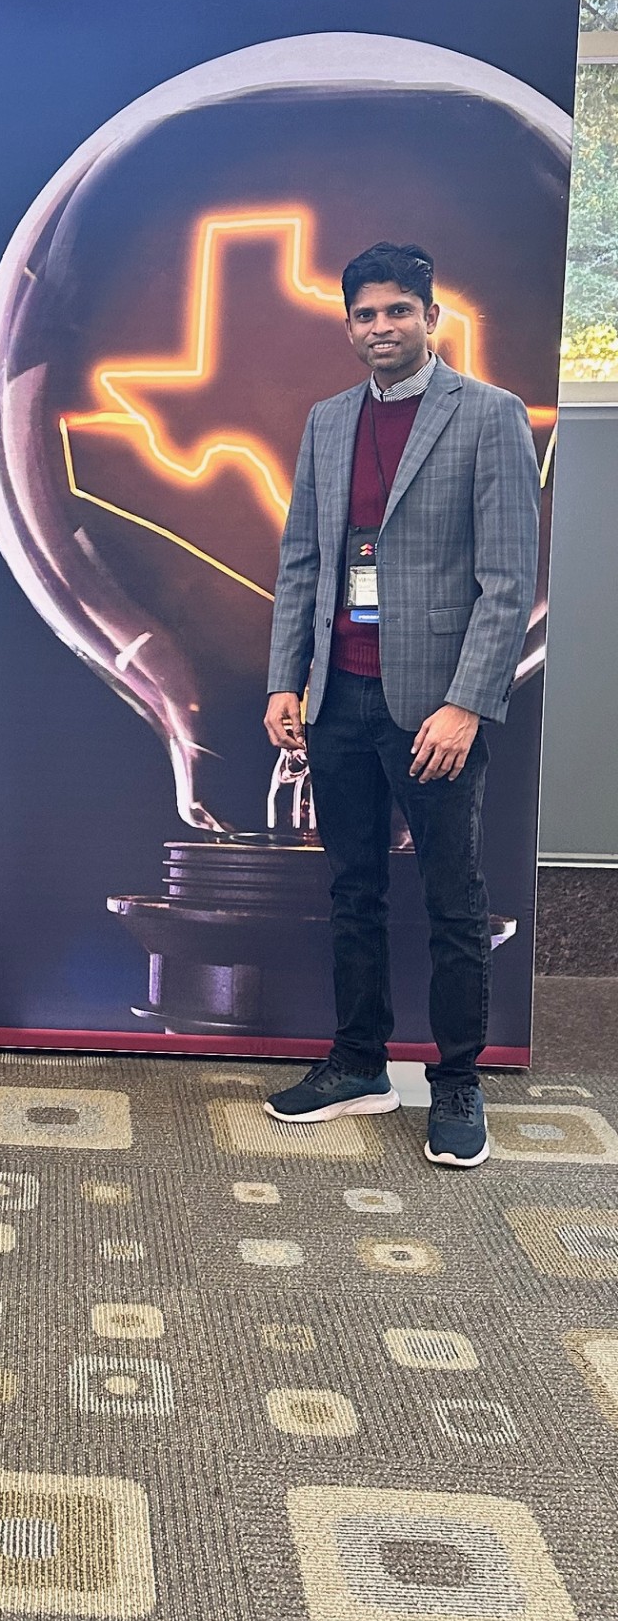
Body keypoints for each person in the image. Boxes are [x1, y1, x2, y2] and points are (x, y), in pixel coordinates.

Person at [262, 243, 540, 1167]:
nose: (381, 327)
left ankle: (456, 1080)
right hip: (339, 696)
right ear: (347, 325)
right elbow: (303, 561)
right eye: (365, 315)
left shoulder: (490, 415)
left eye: (397, 312)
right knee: (353, 890)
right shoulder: (328, 421)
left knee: (455, 899)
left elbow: (508, 580)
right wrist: (286, 680)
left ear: (431, 317)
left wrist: (467, 704)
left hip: (434, 708)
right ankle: (358, 1065)